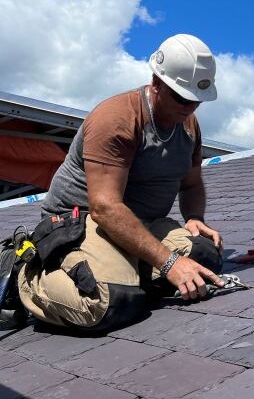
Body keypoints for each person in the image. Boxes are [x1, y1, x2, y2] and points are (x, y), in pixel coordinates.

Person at [16, 34, 225, 332]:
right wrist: (168, 264)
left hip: (140, 221)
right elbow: (105, 208)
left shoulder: (188, 124)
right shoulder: (116, 119)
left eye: (196, 100)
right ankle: (27, 272)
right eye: (181, 97)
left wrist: (194, 217)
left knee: (205, 257)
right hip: (82, 221)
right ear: (156, 82)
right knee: (106, 303)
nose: (189, 107)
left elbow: (191, 184)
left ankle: (127, 268)